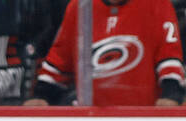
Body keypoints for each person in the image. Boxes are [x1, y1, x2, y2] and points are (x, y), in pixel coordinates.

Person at [23, 0, 185, 107]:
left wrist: (171, 94)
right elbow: (59, 61)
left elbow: (169, 56)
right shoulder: (80, 7)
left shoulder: (157, 4)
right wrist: (41, 95)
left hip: (142, 118)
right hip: (91, 119)